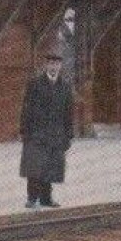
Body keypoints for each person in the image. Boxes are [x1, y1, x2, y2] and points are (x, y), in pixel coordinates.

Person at [19, 54, 74, 208]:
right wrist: (24, 130)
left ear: (60, 66)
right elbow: (26, 108)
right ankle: (32, 198)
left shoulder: (65, 86)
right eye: (50, 63)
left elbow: (68, 112)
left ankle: (46, 198)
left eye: (56, 64)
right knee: (35, 167)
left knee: (50, 167)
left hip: (56, 133)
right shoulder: (35, 84)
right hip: (36, 133)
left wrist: (68, 135)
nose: (53, 66)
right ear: (46, 65)